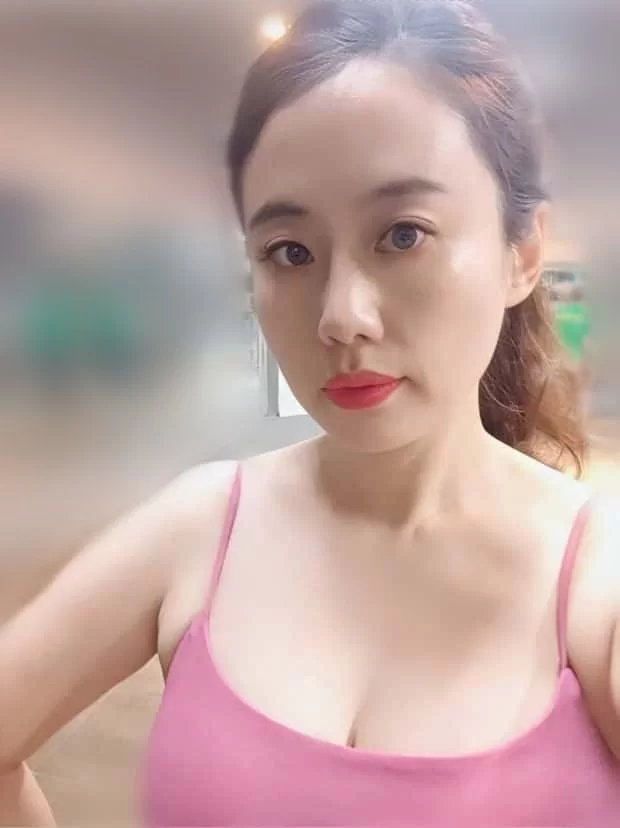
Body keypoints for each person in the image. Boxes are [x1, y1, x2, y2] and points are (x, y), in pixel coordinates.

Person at [1, 0, 619, 825]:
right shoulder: (202, 528)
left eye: (403, 234)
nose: (341, 316)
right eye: (289, 252)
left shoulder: (595, 580)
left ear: (523, 255)